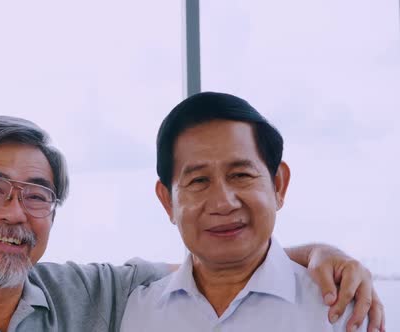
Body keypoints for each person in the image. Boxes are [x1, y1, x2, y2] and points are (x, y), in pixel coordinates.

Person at [0, 115, 384, 332]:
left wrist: (320, 255)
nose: (15, 213)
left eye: (38, 194)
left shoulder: (95, 294)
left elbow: (218, 261)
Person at [120, 92, 373, 331]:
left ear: (278, 185)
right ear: (167, 201)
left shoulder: (340, 313)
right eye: (198, 181)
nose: (223, 203)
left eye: (241, 175)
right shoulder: (138, 312)